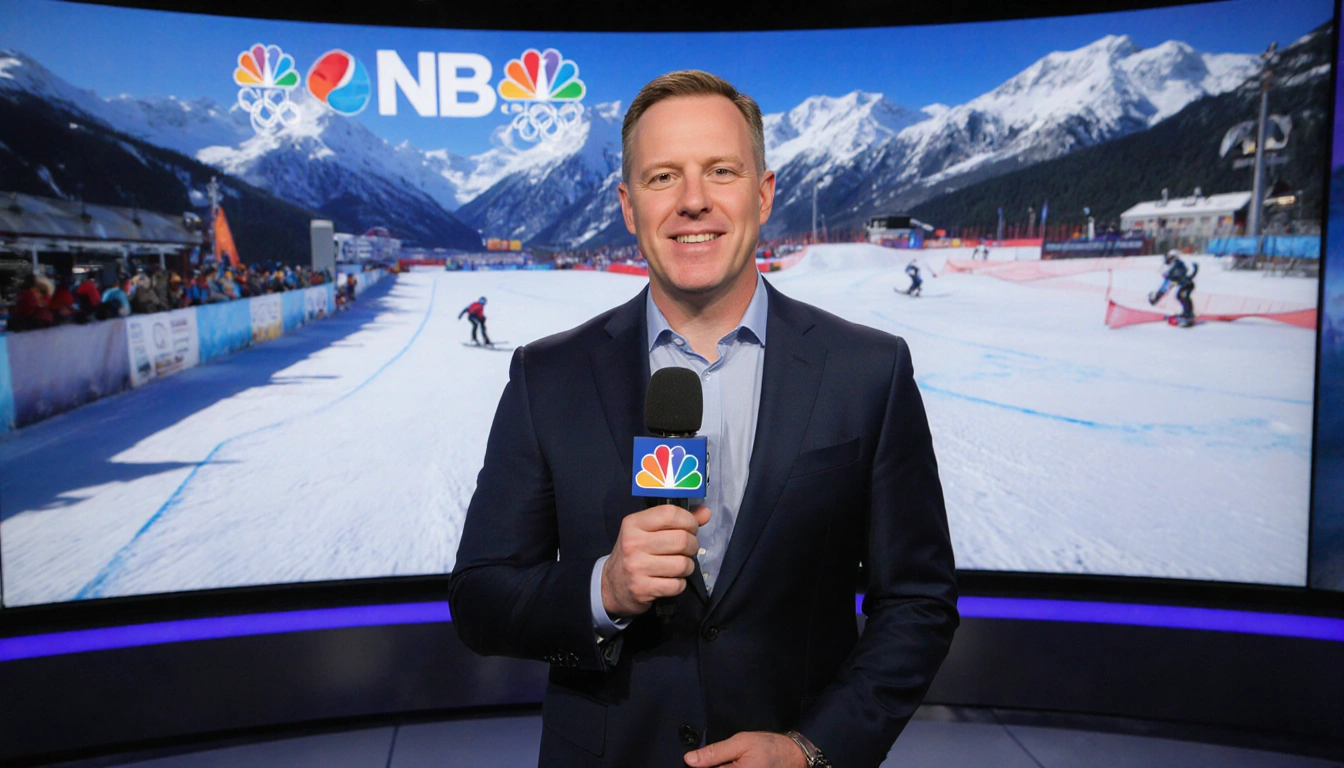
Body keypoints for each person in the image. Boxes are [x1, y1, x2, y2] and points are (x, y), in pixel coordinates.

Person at [450, 71, 957, 768]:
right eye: (663, 178)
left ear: (763, 191)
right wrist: (603, 588)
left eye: (720, 171)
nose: (694, 202)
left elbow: (919, 602)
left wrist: (813, 749)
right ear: (628, 207)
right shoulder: (549, 376)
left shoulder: (868, 370)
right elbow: (481, 598)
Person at [1149, 249, 1199, 327]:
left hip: (1187, 284)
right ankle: (1188, 313)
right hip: (1186, 284)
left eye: (1169, 257)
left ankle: (1188, 315)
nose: (1167, 259)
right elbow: (1168, 284)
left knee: (1182, 296)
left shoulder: (1177, 265)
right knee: (1180, 296)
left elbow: (1170, 281)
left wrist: (1157, 297)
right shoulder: (1175, 265)